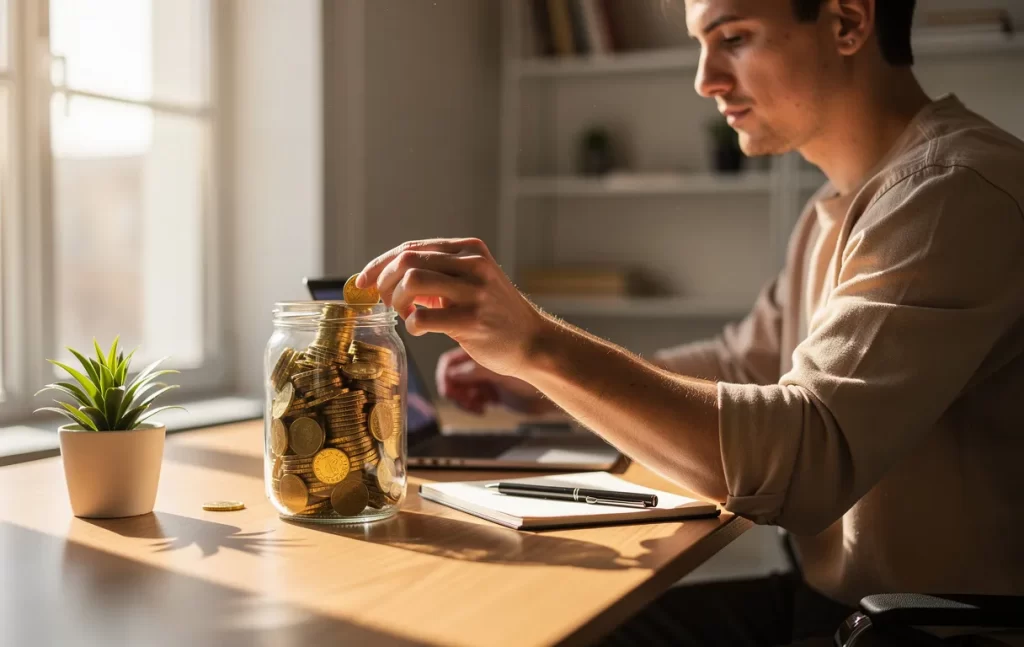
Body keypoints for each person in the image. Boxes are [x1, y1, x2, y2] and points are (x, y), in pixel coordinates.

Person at [354, 0, 1024, 643]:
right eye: (702, 45)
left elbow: (806, 461)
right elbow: (744, 363)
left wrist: (541, 346)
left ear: (847, 20)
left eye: (733, 38)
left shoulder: (952, 190)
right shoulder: (845, 201)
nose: (705, 80)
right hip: (839, 603)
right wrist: (544, 386)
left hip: (920, 629)